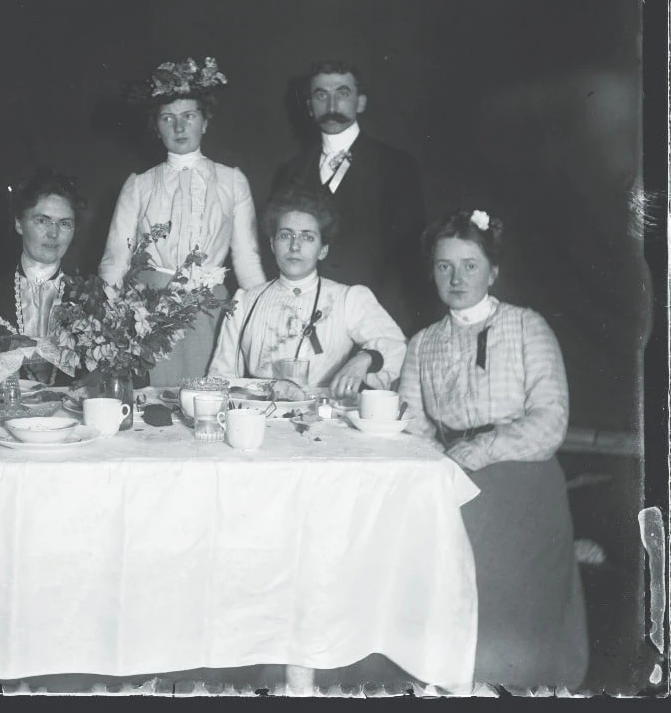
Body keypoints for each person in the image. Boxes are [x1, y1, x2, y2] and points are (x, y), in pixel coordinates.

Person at [398, 209, 589, 690]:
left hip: (521, 475)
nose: (456, 278)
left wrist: (482, 450)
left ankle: (501, 678)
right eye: (444, 266)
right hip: (449, 472)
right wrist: (439, 465)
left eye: (470, 265)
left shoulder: (526, 327)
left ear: (493, 271)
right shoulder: (421, 344)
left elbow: (550, 420)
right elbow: (413, 426)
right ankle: (442, 674)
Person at [99, 56, 266, 387]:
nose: (179, 127)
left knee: (208, 397)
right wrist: (109, 322)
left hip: (210, 311)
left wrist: (265, 312)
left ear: (204, 122)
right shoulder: (139, 185)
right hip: (148, 314)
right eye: (168, 118)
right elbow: (116, 258)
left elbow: (247, 260)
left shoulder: (232, 181)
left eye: (188, 116)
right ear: (157, 127)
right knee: (155, 403)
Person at [271, 60, 430, 336]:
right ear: (309, 106)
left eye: (342, 93)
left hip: (374, 319)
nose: (332, 105)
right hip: (302, 321)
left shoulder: (395, 166)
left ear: (361, 102)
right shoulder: (291, 172)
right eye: (321, 95)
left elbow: (407, 260)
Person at [209, 187, 406, 398]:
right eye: (285, 235)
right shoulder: (246, 302)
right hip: (259, 410)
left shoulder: (346, 299)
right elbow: (221, 377)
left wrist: (364, 359)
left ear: (323, 250)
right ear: (273, 244)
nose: (295, 246)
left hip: (323, 412)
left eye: (308, 237)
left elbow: (396, 345)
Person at [0, 170, 86, 385]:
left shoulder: (90, 300)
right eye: (42, 220)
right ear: (19, 223)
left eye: (64, 223)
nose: (53, 234)